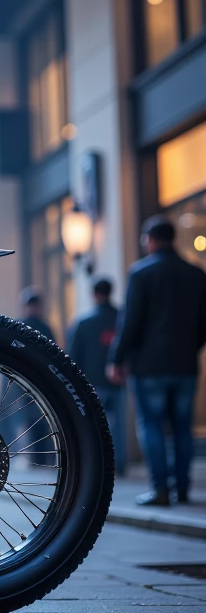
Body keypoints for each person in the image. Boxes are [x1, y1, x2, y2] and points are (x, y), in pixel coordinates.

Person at [107, 215, 206, 507]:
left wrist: (117, 358)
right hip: (185, 364)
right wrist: (191, 347)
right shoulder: (196, 273)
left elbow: (130, 322)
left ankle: (160, 489)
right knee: (182, 427)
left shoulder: (141, 273)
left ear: (150, 239)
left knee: (152, 426)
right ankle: (183, 489)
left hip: (149, 366)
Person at [67, 277, 125, 475]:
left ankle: (101, 464)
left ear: (94, 295)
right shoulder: (121, 318)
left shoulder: (84, 323)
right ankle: (120, 464)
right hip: (118, 380)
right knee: (119, 424)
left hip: (91, 382)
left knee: (95, 425)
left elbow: (73, 356)